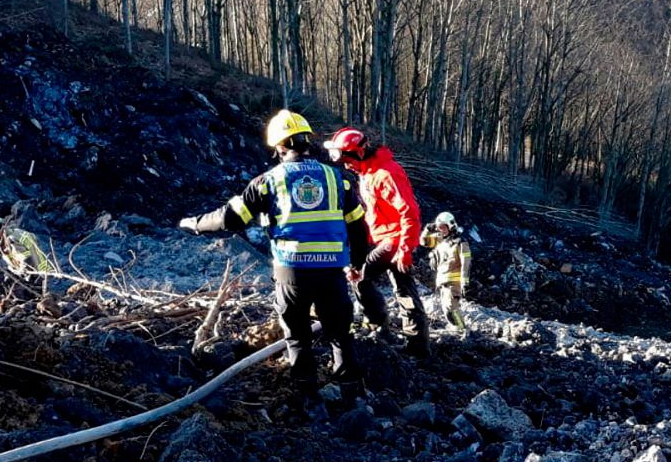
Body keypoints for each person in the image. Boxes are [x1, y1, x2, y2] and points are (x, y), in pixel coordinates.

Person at [179, 109, 370, 409]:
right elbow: (359, 228)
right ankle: (352, 395)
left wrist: (195, 223)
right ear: (308, 141)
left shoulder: (268, 181)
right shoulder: (338, 180)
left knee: (297, 335)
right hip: (332, 270)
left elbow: (231, 219)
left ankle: (309, 398)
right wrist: (357, 264)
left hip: (291, 271)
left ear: (279, 147)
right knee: (340, 334)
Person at [324, 127, 431, 358]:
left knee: (359, 275)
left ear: (359, 153)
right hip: (389, 238)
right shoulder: (368, 173)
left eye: (347, 159)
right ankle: (417, 345)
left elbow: (409, 211)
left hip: (395, 239)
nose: (345, 165)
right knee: (404, 289)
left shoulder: (386, 174)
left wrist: (404, 249)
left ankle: (378, 324)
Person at [424, 211, 472, 336]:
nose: (441, 230)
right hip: (443, 281)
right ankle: (457, 330)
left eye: (443, 227)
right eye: (439, 227)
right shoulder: (440, 240)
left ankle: (462, 330)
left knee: (451, 309)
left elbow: (466, 263)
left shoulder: (461, 242)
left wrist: (464, 282)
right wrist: (427, 230)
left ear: (451, 226)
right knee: (447, 310)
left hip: (454, 282)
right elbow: (423, 242)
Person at [0, 214, 55, 278]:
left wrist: (20, 275)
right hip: (47, 271)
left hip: (40, 276)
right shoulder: (17, 232)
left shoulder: (11, 240)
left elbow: (26, 260)